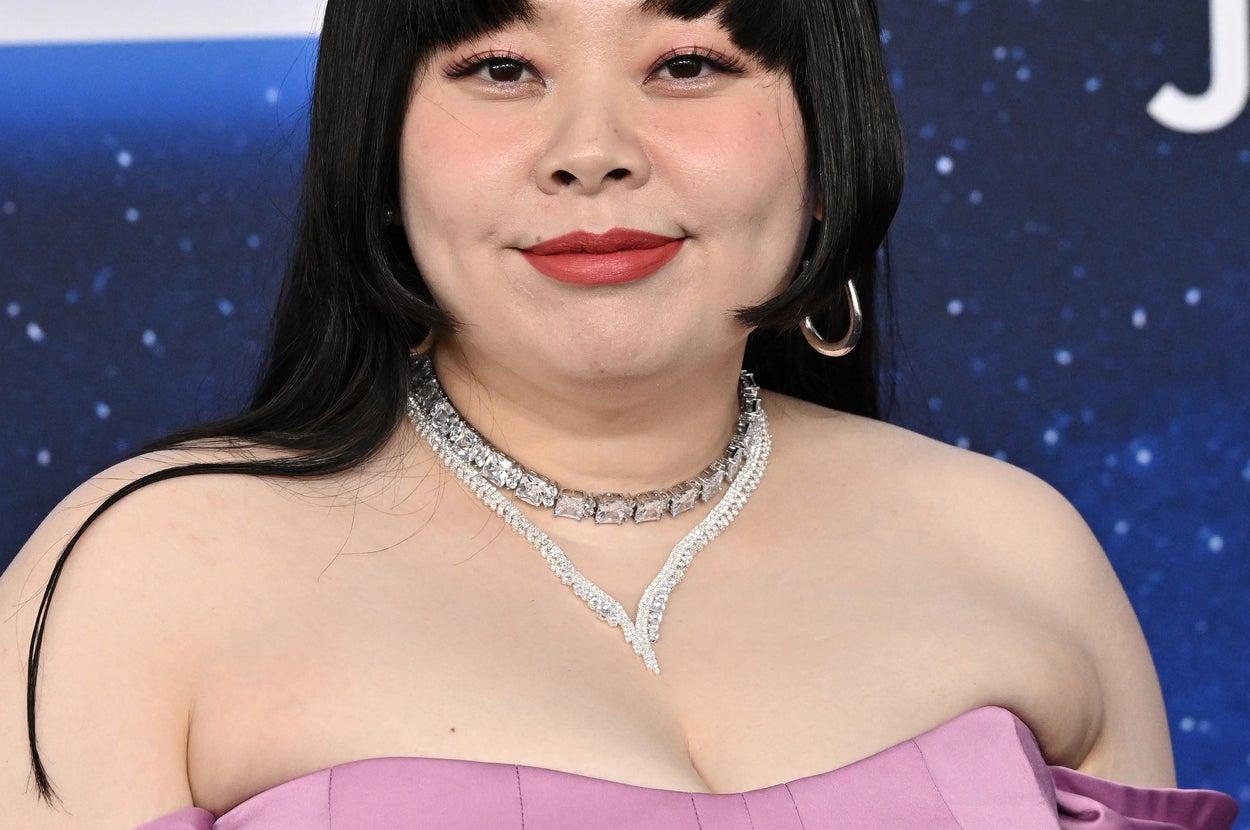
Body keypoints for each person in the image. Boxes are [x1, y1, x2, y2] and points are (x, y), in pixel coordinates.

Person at [0, 0, 1238, 827]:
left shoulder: (1016, 547)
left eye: (687, 64)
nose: (590, 148)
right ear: (376, 154)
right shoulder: (139, 577)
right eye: (498, 67)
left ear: (827, 139)